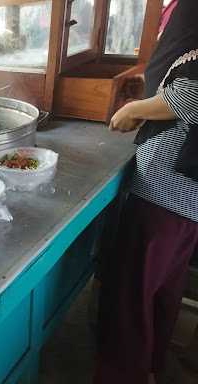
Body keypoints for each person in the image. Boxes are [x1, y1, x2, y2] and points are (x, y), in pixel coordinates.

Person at [94, 1, 198, 384]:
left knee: (130, 297)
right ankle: (149, 367)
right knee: (161, 291)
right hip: (186, 197)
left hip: (167, 191)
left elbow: (193, 96)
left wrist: (135, 109)